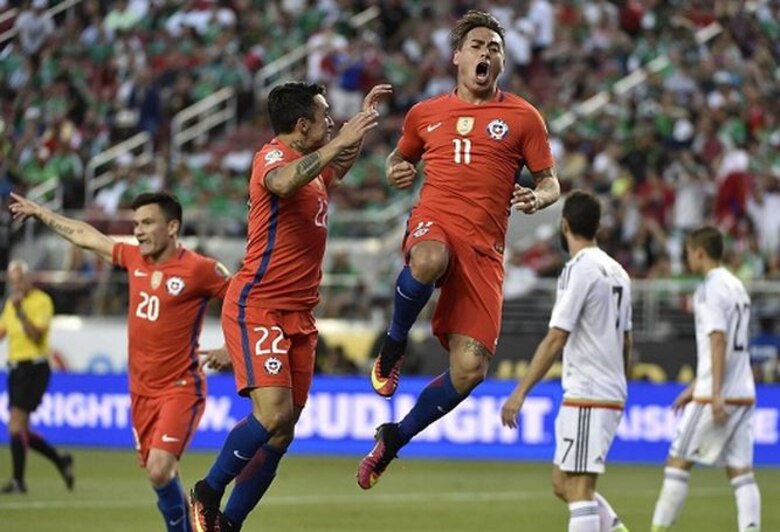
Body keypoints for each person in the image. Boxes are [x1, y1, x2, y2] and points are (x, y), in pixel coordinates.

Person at [357, 9, 560, 489]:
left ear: (502, 63)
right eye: (477, 46)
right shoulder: (424, 114)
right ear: (456, 57)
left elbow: (551, 183)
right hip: (437, 222)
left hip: (485, 248)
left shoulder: (523, 117)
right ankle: (393, 345)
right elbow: (397, 158)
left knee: (469, 372)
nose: (485, 53)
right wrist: (394, 170)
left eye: (494, 48)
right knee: (428, 259)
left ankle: (394, 438)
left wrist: (538, 196)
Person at [189, 81, 391, 532]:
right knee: (273, 414)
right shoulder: (273, 158)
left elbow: (334, 166)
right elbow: (282, 182)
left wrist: (356, 131)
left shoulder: (313, 171)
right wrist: (342, 138)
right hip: (260, 304)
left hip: (300, 314)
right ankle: (207, 490)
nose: (331, 122)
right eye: (325, 116)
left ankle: (230, 523)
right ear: (302, 126)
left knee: (284, 430)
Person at [9, 192, 231, 531]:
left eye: (147, 223)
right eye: (136, 224)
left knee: (160, 467)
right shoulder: (133, 258)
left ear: (172, 227)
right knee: (160, 475)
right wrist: (42, 214)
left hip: (180, 387)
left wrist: (232, 347)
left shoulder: (199, 269)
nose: (138, 231)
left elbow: (243, 299)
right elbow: (86, 236)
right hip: (140, 392)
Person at [501, 191, 631, 532]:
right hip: (604, 389)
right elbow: (626, 340)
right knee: (563, 483)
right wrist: (621, 383)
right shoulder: (618, 271)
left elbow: (557, 336)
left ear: (564, 224)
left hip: (589, 390)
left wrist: (519, 393)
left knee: (579, 489)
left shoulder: (579, 269)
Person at [651, 226, 762, 532]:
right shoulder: (737, 286)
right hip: (743, 392)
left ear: (699, 253)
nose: (687, 258)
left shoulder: (710, 288)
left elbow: (718, 339)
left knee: (677, 463)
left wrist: (712, 393)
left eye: (688, 253)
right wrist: (695, 386)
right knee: (741, 473)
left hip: (718, 395)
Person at [0, 259, 74, 494]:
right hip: (15, 368)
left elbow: (34, 336)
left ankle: (18, 481)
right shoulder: (11, 304)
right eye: (13, 282)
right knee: (22, 430)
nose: (17, 286)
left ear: (28, 278)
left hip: (34, 368)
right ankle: (61, 461)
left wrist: (21, 311)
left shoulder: (41, 301)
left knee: (15, 426)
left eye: (20, 280)